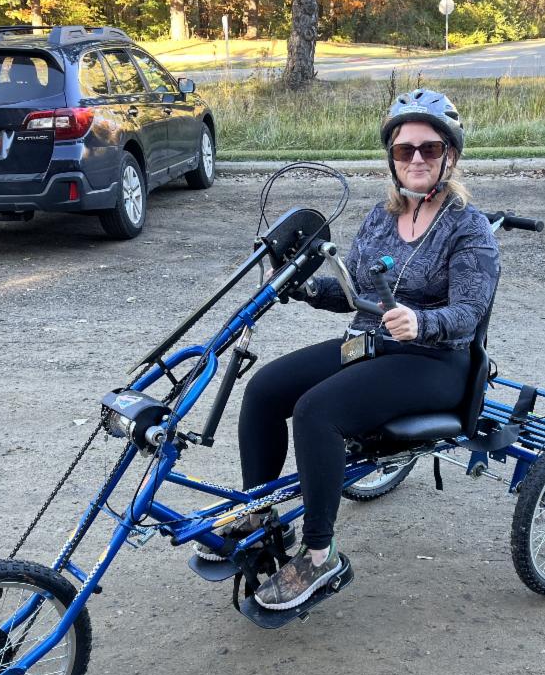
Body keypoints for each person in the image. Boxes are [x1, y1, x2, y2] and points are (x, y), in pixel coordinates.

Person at [195, 89, 501, 611]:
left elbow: (468, 313)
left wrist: (421, 322)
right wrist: (309, 290)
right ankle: (261, 511)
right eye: (406, 151)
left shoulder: (467, 228)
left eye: (430, 149)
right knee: (265, 388)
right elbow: (356, 292)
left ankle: (319, 555)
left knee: (318, 411)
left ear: (451, 155)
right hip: (372, 345)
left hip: (437, 362)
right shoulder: (380, 219)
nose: (418, 160)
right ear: (392, 159)